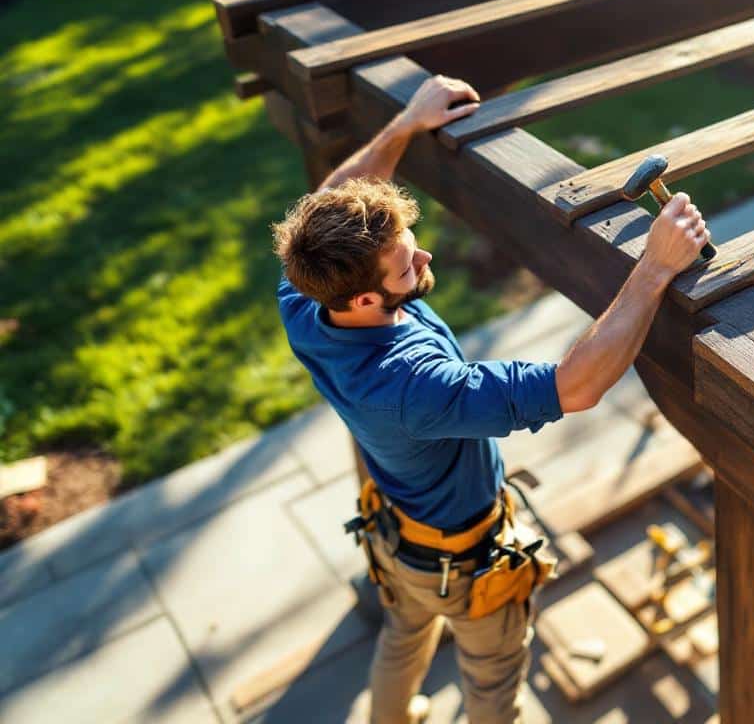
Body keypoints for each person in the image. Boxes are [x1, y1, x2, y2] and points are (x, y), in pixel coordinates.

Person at [271, 74, 710, 724]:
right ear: (364, 300)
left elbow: (333, 193)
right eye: (404, 266)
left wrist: (406, 125)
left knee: (403, 636)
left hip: (395, 533)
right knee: (494, 680)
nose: (423, 256)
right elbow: (577, 385)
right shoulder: (413, 385)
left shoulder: (306, 299)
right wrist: (655, 267)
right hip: (464, 558)